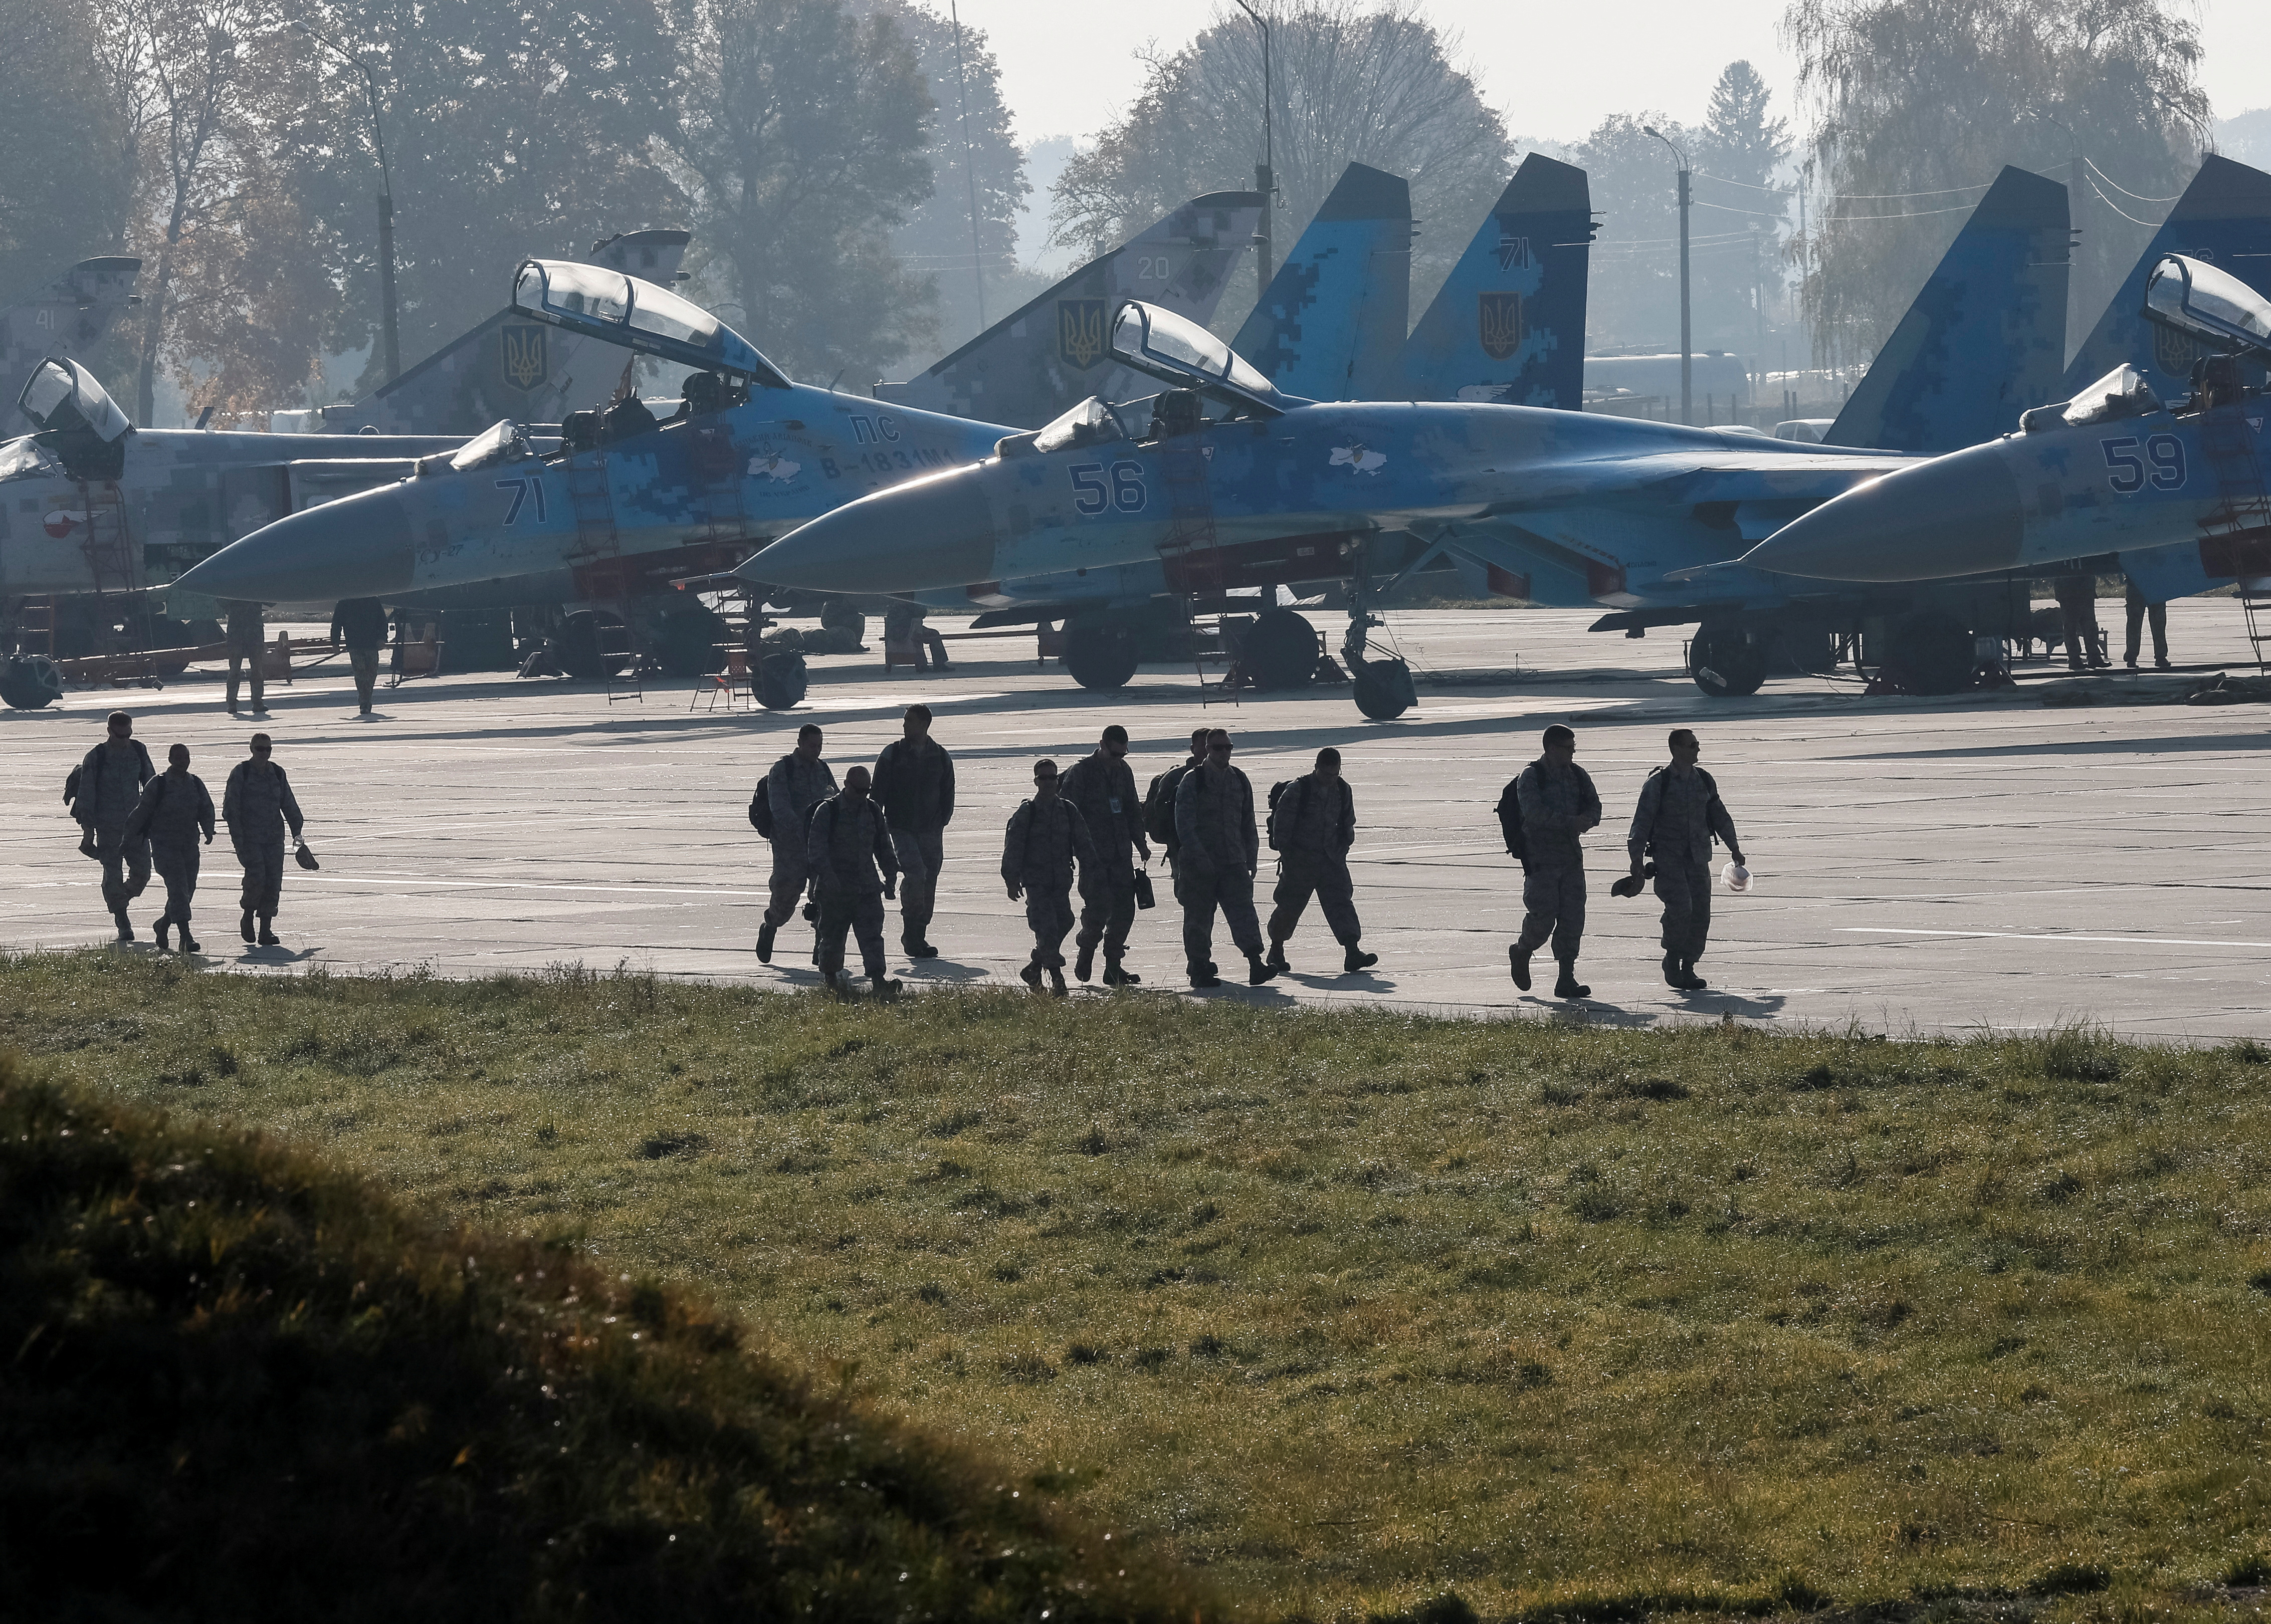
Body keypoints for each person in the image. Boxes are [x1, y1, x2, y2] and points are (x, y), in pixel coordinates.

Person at [1626, 729, 1744, 993]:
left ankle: (1689, 966)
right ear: (1676, 750)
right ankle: (1672, 960)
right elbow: (1641, 824)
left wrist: (1734, 847)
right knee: (1682, 908)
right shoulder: (1659, 783)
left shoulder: (1703, 779)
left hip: (1698, 858)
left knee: (1701, 913)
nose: (1697, 750)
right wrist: (1636, 862)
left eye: (1698, 745)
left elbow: (1719, 814)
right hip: (1669, 859)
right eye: (1692, 746)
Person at [1173, 729, 1279, 989]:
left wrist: (1251, 857)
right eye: (1218, 748)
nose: (1224, 753)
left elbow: (1248, 822)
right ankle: (1199, 969)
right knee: (1198, 919)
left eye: (1228, 748)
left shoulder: (1239, 780)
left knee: (1244, 914)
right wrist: (1199, 857)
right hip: (1200, 865)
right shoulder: (1193, 780)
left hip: (1233, 862)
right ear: (1208, 749)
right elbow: (1184, 825)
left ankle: (1256, 964)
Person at [1508, 725, 1601, 1000]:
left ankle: (1566, 977)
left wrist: (1588, 819)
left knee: (1573, 919)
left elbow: (1595, 805)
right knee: (1543, 918)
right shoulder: (1531, 777)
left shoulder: (1578, 775)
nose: (1572, 752)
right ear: (1550, 748)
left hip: (1571, 859)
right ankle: (1523, 950)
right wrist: (1570, 822)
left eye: (1574, 747)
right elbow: (1534, 814)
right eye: (1566, 747)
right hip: (1541, 860)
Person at [1265, 747, 1377, 975]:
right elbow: (1281, 826)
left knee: (1342, 903)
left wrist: (1342, 848)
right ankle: (1276, 950)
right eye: (1327, 775)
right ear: (1316, 769)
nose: (1331, 779)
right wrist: (1289, 857)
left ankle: (1352, 951)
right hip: (1301, 861)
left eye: (1335, 774)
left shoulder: (1343, 790)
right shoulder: (1299, 790)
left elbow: (1348, 822)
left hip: (1331, 860)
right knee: (1289, 907)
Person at [1062, 724, 1151, 985]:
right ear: (1102, 745)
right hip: (1093, 856)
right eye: (1114, 754)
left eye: (1123, 754)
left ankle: (1113, 965)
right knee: (1098, 909)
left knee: (1125, 911)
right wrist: (1073, 850)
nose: (1119, 760)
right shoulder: (1081, 773)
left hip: (1121, 854)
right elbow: (1068, 813)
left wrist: (1141, 843)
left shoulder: (1124, 772)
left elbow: (1133, 809)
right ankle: (1086, 950)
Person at [1002, 759, 1098, 996]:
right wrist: (1011, 879)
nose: (1048, 783)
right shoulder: (1028, 812)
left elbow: (1084, 843)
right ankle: (1058, 980)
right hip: (1037, 883)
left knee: (1065, 921)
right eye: (1043, 778)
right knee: (1047, 928)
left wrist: (1093, 870)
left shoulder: (1067, 809)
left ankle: (1034, 968)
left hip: (1060, 882)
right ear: (1036, 781)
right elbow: (1013, 846)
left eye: (1053, 778)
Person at [805, 765, 900, 998]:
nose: (862, 796)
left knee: (872, 937)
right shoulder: (828, 811)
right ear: (846, 785)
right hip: (834, 890)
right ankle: (831, 980)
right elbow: (816, 851)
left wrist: (890, 876)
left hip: (866, 887)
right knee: (832, 938)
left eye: (866, 791)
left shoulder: (872, 810)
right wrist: (829, 878)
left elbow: (883, 846)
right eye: (858, 790)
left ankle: (878, 980)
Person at [872, 704, 954, 958]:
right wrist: (878, 830)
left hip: (931, 829)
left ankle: (919, 934)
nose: (905, 725)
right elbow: (876, 796)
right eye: (905, 720)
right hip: (901, 828)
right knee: (916, 875)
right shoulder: (892, 754)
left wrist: (941, 821)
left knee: (929, 881)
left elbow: (948, 792)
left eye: (910, 721)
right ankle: (911, 932)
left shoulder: (939, 756)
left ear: (924, 724)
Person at [753, 723, 837, 963]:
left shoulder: (823, 769)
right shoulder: (783, 769)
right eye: (812, 745)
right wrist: (804, 829)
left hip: (819, 846)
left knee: (824, 896)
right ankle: (770, 925)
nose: (816, 751)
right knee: (786, 898)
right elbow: (779, 808)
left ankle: (821, 948)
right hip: (791, 847)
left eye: (820, 746)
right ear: (800, 743)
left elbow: (835, 799)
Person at [70, 710, 155, 941]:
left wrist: (155, 817)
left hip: (136, 825)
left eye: (129, 734)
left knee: (143, 873)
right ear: (109, 732)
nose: (125, 740)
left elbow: (151, 785)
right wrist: (88, 832)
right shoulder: (96, 757)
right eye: (121, 736)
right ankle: (122, 920)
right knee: (113, 874)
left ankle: (120, 899)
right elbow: (86, 794)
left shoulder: (139, 750)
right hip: (108, 826)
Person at [125, 743, 216, 952]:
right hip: (165, 846)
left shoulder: (195, 783)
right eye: (178, 757)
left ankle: (163, 924)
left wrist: (209, 828)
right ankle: (186, 936)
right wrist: (127, 839)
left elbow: (206, 807)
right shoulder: (158, 784)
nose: (183, 761)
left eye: (186, 757)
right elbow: (141, 812)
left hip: (189, 846)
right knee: (178, 890)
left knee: (187, 891)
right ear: (170, 759)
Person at [223, 732, 306, 947]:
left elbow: (289, 805)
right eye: (260, 749)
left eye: (268, 749)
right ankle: (248, 916)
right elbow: (231, 809)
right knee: (256, 878)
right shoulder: (242, 773)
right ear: (252, 749)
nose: (264, 753)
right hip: (250, 838)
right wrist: (238, 841)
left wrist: (299, 838)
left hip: (274, 838)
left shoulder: (277, 773)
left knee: (273, 882)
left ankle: (266, 929)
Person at [1146, 726, 1213, 882]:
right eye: (1203, 746)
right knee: (1191, 896)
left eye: (1210, 746)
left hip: (1216, 848)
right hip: (1183, 850)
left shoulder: (1227, 776)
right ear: (1192, 749)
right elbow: (1161, 810)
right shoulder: (1176, 778)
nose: (1207, 751)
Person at [331, 596, 389, 716]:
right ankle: (365, 702)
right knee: (360, 673)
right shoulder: (344, 602)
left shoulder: (373, 600)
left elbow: (382, 621)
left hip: (371, 644)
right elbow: (337, 623)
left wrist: (383, 638)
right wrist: (335, 642)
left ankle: (366, 699)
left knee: (372, 673)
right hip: (355, 644)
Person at [2053, 574, 2107, 671]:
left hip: (2084, 590)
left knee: (2090, 626)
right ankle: (2075, 659)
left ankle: (2094, 657)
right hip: (2069, 591)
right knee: (2071, 628)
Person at [224, 599, 267, 715]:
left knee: (254, 668)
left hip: (244, 630)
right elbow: (222, 600)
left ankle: (254, 702)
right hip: (245, 630)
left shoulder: (254, 584)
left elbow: (271, 600)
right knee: (237, 668)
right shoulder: (238, 584)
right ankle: (234, 703)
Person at [884, 601, 950, 671]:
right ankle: (939, 664)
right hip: (909, 631)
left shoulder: (892, 608)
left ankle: (927, 664)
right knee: (934, 635)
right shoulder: (909, 607)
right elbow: (922, 613)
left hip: (894, 634)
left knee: (926, 634)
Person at [2125, 579, 2171, 669]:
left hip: (2145, 584)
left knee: (2137, 625)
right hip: (2146, 584)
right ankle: (2159, 657)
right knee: (2154, 624)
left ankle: (2132, 656)